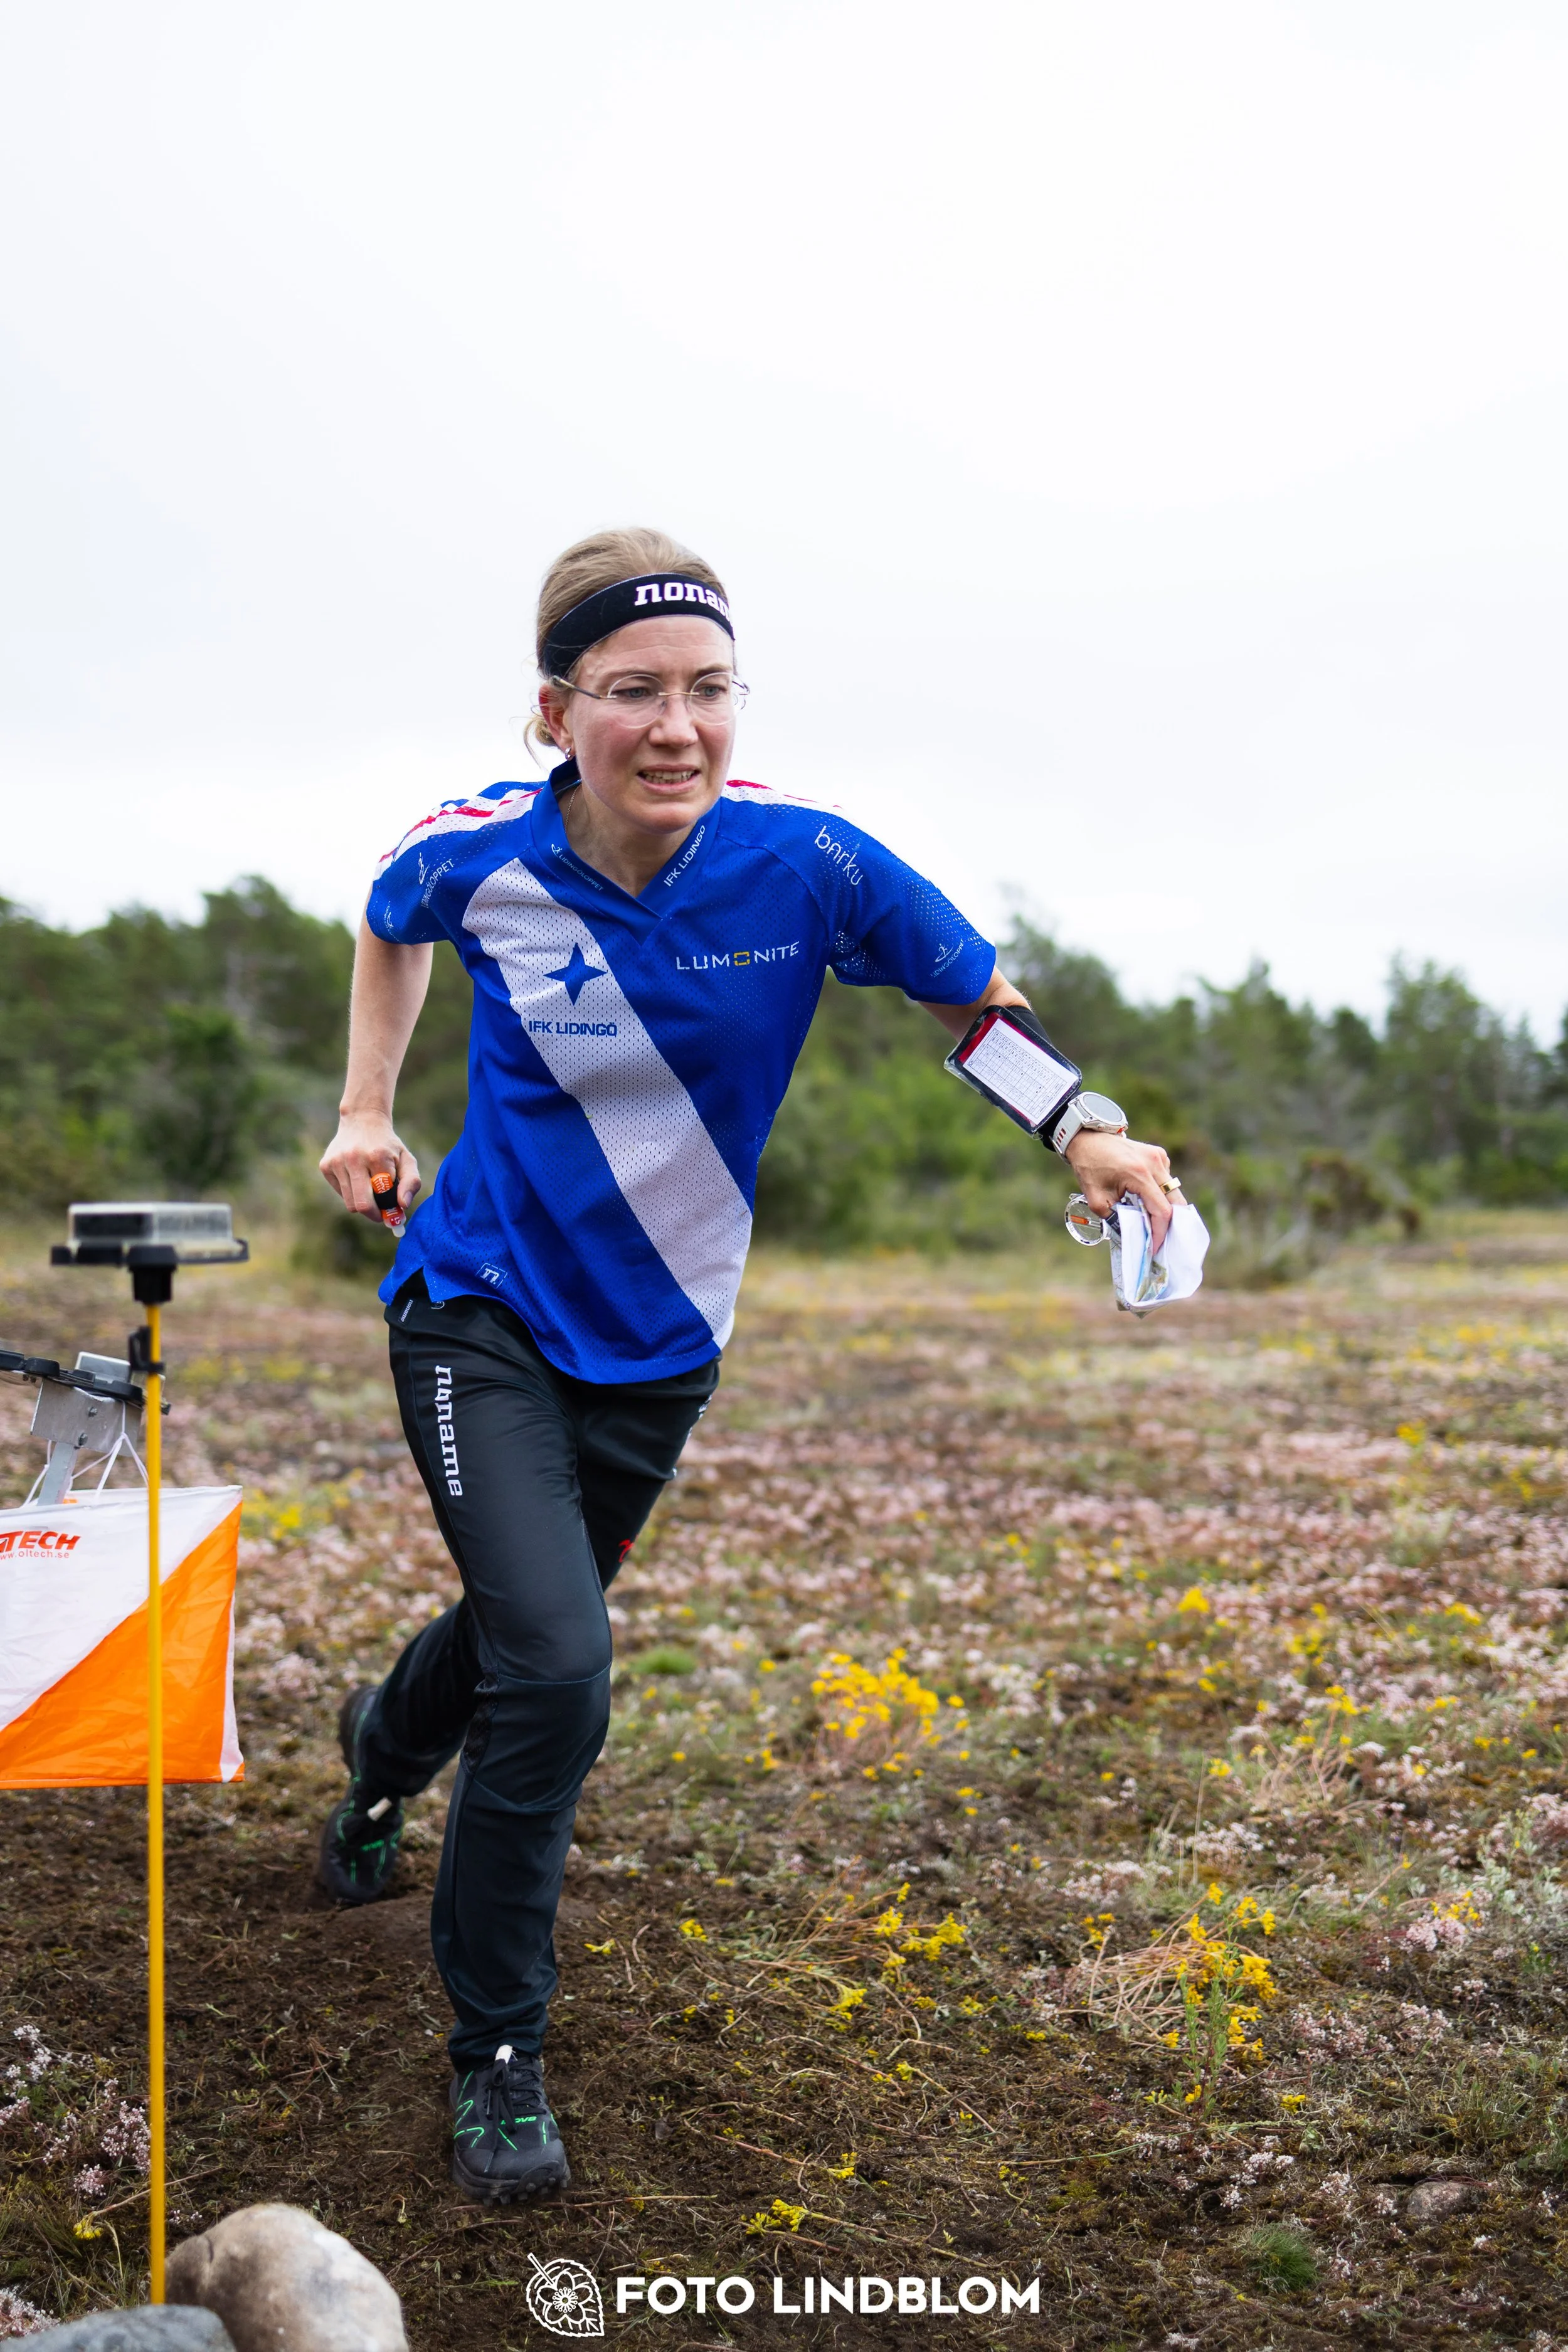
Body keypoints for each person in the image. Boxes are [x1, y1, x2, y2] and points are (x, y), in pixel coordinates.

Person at [316, 526, 1175, 2205]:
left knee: (521, 1628)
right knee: (557, 1670)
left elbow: (976, 1008)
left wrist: (1084, 1125)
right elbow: (382, 918)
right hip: (476, 1301)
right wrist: (364, 1104)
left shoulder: (808, 864)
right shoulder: (481, 850)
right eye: (632, 691)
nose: (675, 727)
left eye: (707, 688)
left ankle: (378, 1747)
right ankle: (497, 2047)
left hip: (660, 1345)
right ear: (555, 710)